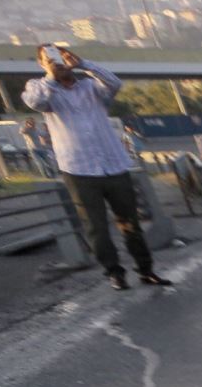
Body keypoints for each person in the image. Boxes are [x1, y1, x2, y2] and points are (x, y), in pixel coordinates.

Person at [21, 44, 168, 291]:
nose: (58, 62)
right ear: (41, 64)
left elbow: (115, 84)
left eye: (60, 56)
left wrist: (84, 64)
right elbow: (36, 102)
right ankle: (114, 273)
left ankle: (146, 270)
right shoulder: (39, 87)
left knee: (130, 221)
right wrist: (51, 75)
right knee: (96, 228)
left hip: (114, 165)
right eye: (50, 59)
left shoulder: (91, 87)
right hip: (79, 170)